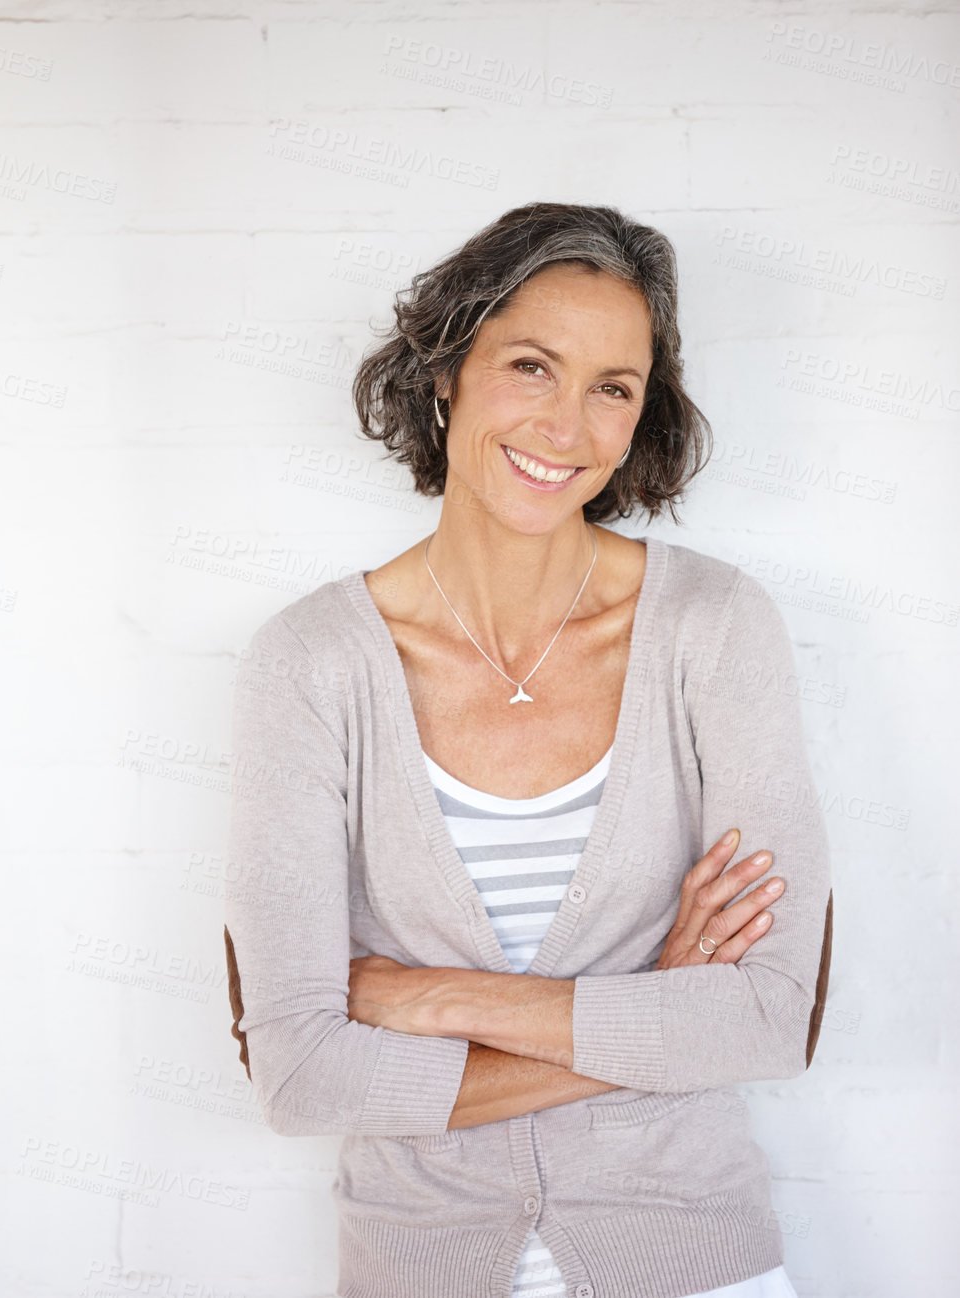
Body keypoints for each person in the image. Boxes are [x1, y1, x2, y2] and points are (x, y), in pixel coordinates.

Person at [221, 202, 833, 1298]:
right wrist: (652, 1007)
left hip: (699, 1261)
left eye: (613, 386)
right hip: (417, 1262)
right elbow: (303, 1074)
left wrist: (426, 996)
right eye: (531, 365)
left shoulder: (715, 627)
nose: (566, 424)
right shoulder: (310, 662)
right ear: (448, 371)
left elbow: (769, 1015)